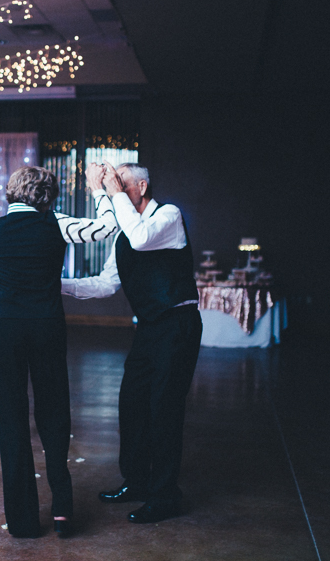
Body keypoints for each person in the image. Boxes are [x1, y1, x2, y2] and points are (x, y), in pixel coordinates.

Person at [0, 164, 118, 539]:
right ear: (46, 195)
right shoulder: (57, 223)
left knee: (12, 419)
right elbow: (107, 227)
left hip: (5, 328)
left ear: (13, 192)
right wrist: (99, 190)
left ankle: (22, 521)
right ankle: (63, 509)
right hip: (45, 326)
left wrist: (10, 285)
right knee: (53, 412)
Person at [61, 163, 201, 524]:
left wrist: (110, 192)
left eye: (120, 182)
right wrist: (56, 285)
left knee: (164, 408)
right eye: (112, 182)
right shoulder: (124, 232)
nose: (114, 187)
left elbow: (140, 237)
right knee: (132, 404)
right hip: (149, 329)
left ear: (141, 185)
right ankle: (137, 481)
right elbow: (105, 284)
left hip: (177, 324)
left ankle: (166, 496)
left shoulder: (168, 216)